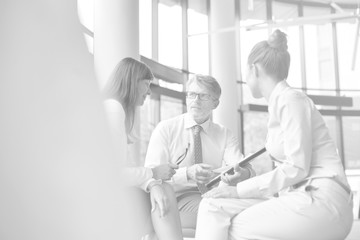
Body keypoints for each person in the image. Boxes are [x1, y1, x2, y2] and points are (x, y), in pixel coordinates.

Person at [195, 30, 353, 240]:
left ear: (254, 69)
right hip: (302, 196)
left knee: (236, 226)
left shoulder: (291, 100)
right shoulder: (280, 104)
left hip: (322, 200)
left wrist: (239, 190)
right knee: (212, 206)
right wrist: (242, 182)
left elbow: (296, 167)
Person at [144, 74, 254, 234]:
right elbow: (151, 175)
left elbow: (242, 166)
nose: (195, 100)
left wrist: (243, 173)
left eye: (203, 96)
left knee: (248, 210)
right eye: (191, 94)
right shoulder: (166, 129)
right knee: (233, 217)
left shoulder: (224, 134)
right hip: (176, 199)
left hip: (212, 195)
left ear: (215, 103)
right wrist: (187, 173)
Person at [103, 57, 183, 240]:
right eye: (146, 84)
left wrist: (153, 183)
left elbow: (128, 169)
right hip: (104, 197)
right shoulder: (113, 110)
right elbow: (112, 174)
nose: (148, 92)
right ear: (131, 82)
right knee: (164, 197)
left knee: (161, 193)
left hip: (112, 194)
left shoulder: (114, 110)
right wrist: (153, 173)